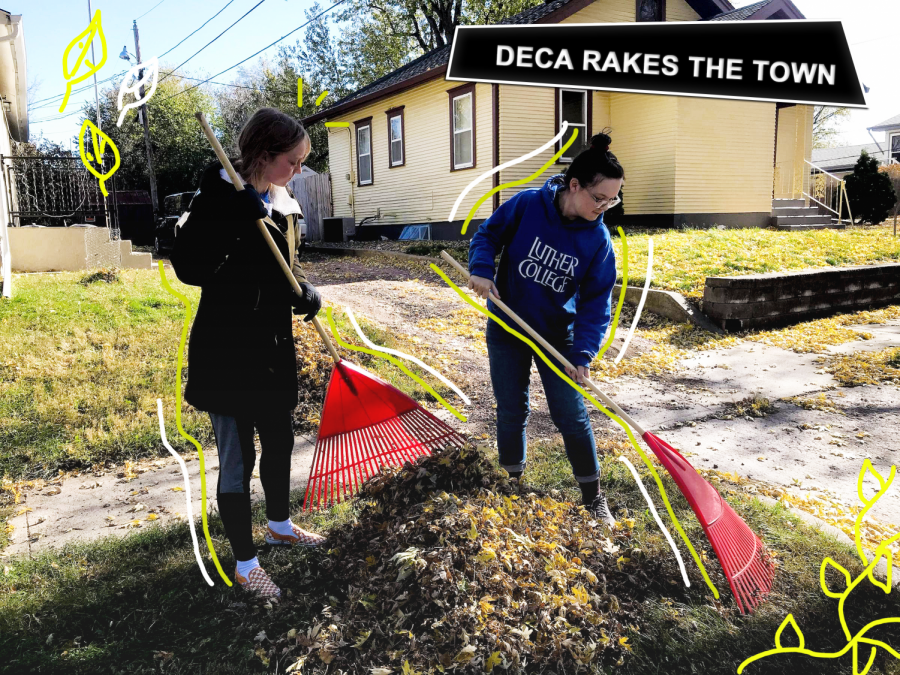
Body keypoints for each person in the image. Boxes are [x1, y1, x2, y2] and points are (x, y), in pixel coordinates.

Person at [171, 108, 325, 599]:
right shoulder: (217, 197)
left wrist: (304, 293)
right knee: (239, 460)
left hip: (272, 349)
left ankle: (279, 524)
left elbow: (278, 269)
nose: (298, 170)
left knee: (279, 440)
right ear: (264, 155)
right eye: (293, 161)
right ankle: (245, 562)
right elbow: (190, 267)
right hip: (228, 354)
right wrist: (234, 220)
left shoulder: (276, 200)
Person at [467, 131, 625, 527]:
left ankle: (593, 497)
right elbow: (487, 235)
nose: (605, 207)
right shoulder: (528, 205)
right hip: (508, 327)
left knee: (571, 415)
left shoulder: (598, 240)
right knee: (511, 409)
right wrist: (482, 270)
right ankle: (512, 485)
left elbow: (596, 302)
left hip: (559, 336)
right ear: (574, 186)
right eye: (599, 198)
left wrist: (583, 354)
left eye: (613, 200)